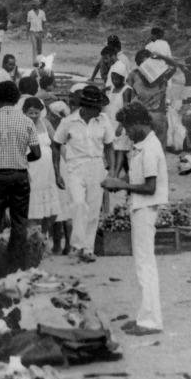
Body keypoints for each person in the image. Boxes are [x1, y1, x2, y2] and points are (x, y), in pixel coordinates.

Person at [103, 105, 169, 336]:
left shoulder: (150, 148)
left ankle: (151, 321)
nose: (127, 133)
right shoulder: (142, 145)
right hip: (140, 206)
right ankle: (145, 316)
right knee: (142, 264)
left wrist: (121, 184)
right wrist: (117, 182)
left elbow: (150, 187)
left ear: (140, 124)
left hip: (146, 207)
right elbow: (139, 178)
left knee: (145, 265)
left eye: (129, 128)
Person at [0, 80, 39, 274]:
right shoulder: (27, 121)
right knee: (19, 222)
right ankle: (15, 267)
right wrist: (21, 157)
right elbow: (37, 153)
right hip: (20, 176)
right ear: (17, 98)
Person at [53, 84, 116, 264]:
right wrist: (57, 173)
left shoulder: (103, 120)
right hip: (75, 166)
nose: (100, 110)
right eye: (97, 107)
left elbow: (110, 146)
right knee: (79, 204)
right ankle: (78, 245)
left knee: (94, 208)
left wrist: (111, 170)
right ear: (87, 107)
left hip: (96, 165)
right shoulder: (69, 122)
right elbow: (56, 145)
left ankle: (87, 248)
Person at [22, 96, 59, 250]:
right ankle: (33, 241)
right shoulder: (22, 126)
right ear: (24, 112)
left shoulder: (46, 123)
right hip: (31, 171)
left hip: (48, 172)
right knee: (33, 208)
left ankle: (43, 236)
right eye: (31, 113)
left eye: (37, 113)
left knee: (51, 211)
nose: (34, 116)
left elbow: (56, 144)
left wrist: (58, 170)